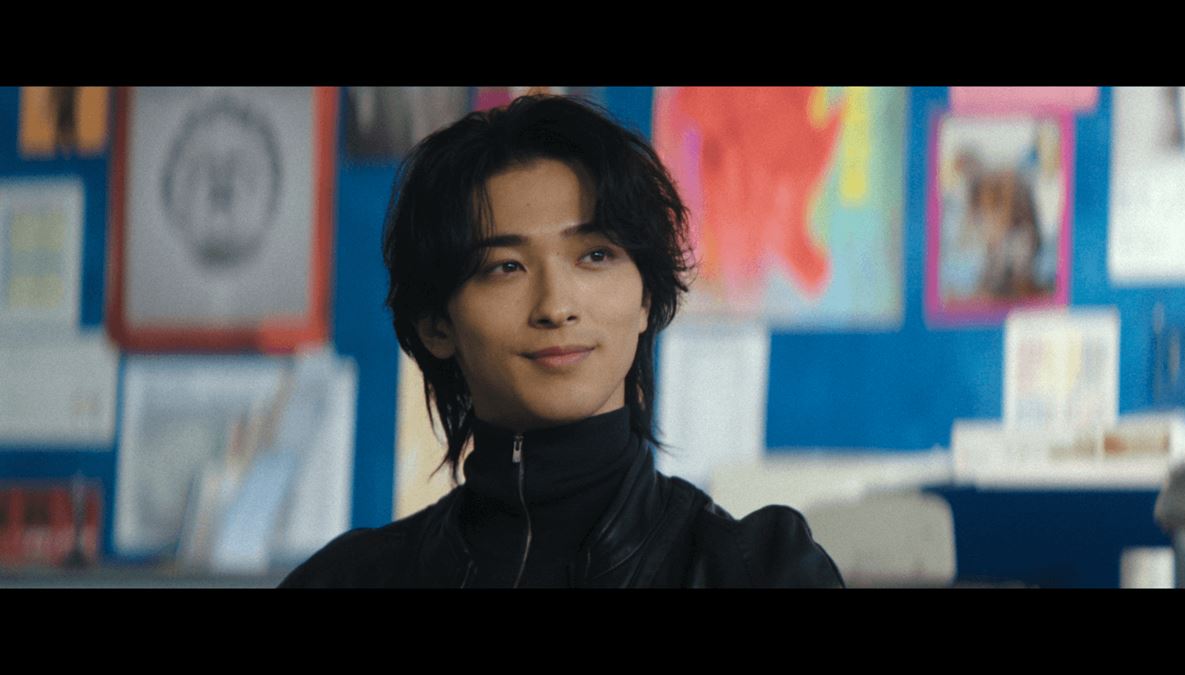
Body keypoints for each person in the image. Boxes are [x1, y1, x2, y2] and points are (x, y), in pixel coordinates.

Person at [280, 94, 843, 588]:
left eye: (595, 255)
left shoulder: (756, 570)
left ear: (646, 298)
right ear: (436, 325)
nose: (555, 306)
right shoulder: (350, 577)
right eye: (505, 266)